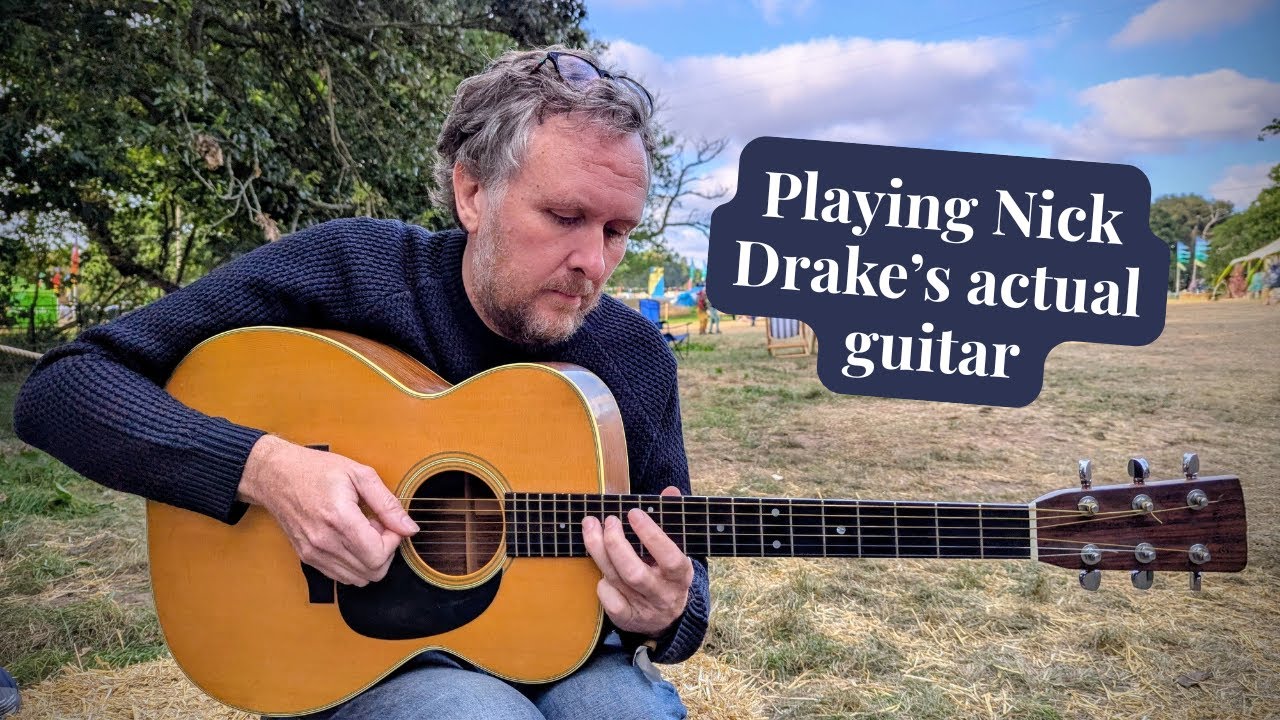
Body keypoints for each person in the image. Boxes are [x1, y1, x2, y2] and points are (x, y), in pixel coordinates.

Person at [13, 46, 708, 720]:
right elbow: (62, 390)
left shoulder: (636, 358)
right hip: (343, 648)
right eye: (564, 217)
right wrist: (265, 469)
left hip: (561, 646)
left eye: (618, 230)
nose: (593, 260)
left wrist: (672, 609)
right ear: (472, 192)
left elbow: (683, 566)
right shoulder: (348, 270)